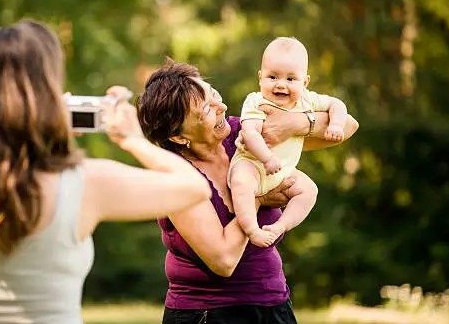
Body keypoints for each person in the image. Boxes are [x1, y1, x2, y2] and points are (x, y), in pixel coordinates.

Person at [0, 20, 211, 324]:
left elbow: (0, 174)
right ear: (45, 96)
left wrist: (41, 139)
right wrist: (132, 141)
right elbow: (195, 188)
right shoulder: (83, 184)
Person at [136, 58, 359, 324]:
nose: (222, 107)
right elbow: (223, 260)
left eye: (215, 96)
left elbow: (348, 126)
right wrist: (257, 198)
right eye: (206, 110)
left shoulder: (243, 137)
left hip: (274, 303)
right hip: (207, 314)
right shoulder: (174, 176)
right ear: (178, 137)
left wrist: (295, 125)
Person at [229, 37, 350, 247]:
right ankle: (252, 230)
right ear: (260, 78)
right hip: (254, 165)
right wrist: (266, 159)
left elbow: (337, 104)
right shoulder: (257, 101)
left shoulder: (307, 100)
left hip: (283, 171)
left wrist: (336, 125)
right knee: (241, 181)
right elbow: (250, 133)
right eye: (273, 76)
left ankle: (280, 226)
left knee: (309, 190)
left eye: (291, 79)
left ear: (305, 82)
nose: (281, 85)